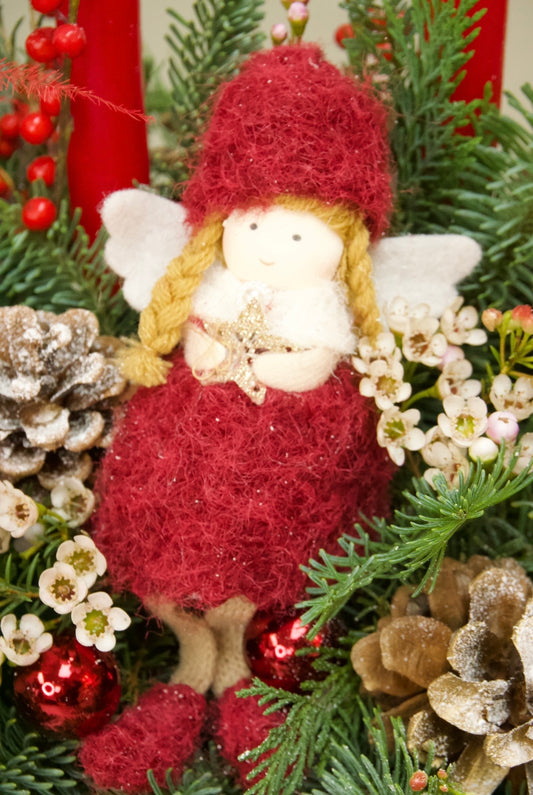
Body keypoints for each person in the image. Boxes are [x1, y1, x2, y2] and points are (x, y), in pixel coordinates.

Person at [80, 44, 394, 793]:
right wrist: (217, 356)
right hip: (181, 476)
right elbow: (192, 347)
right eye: (253, 222)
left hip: (289, 486)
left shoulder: (329, 320)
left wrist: (260, 368)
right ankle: (188, 679)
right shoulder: (206, 293)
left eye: (299, 231)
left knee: (269, 580)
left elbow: (310, 367)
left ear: (345, 240)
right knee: (176, 573)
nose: (272, 246)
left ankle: (246, 687)